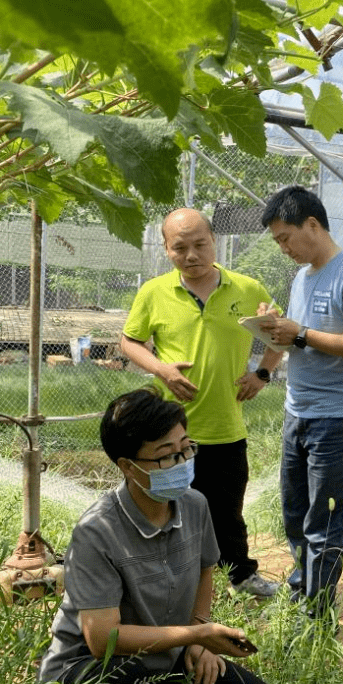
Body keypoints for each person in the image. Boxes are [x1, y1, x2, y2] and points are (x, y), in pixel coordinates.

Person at [37, 388, 278, 684]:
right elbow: (103, 640)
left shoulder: (195, 505)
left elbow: (204, 571)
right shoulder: (97, 531)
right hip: (90, 669)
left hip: (167, 660)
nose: (182, 463)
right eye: (166, 456)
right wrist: (196, 633)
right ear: (128, 467)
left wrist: (198, 642)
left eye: (186, 448)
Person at [121, 208, 282, 597]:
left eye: (199, 244)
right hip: (171, 431)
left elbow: (278, 331)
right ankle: (169, 578)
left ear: (214, 241)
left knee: (228, 510)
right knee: (167, 506)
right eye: (180, 247)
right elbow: (128, 342)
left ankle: (241, 576)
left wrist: (261, 374)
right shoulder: (154, 292)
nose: (191, 255)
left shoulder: (247, 288)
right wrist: (162, 370)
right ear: (166, 249)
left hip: (226, 425)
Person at [253, 185, 343, 625]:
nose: (283, 248)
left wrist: (299, 333)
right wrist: (275, 328)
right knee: (294, 512)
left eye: (286, 238)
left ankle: (316, 615)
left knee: (325, 521)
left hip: (336, 417)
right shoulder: (302, 277)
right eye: (278, 242)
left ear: (313, 224)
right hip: (297, 410)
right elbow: (297, 335)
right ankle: (302, 590)